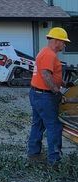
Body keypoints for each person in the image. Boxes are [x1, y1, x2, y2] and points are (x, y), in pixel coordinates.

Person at [27, 27, 70, 167]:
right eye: (64, 42)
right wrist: (57, 91)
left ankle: (33, 154)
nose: (64, 45)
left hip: (37, 94)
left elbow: (49, 74)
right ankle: (54, 161)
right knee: (54, 127)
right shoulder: (49, 55)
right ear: (57, 41)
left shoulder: (45, 53)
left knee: (38, 124)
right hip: (44, 96)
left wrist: (63, 83)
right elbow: (46, 75)